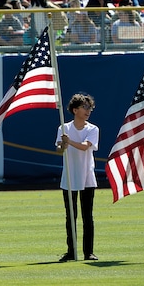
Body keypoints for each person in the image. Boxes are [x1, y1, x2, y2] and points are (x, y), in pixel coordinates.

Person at [56, 93, 99, 262]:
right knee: (70, 216)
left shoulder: (92, 129)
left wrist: (69, 141)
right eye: (85, 107)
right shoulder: (63, 128)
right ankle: (71, 251)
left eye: (90, 108)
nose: (88, 111)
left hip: (87, 176)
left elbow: (84, 147)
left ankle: (89, 252)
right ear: (75, 110)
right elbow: (59, 150)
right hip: (69, 177)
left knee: (87, 216)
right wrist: (63, 145)